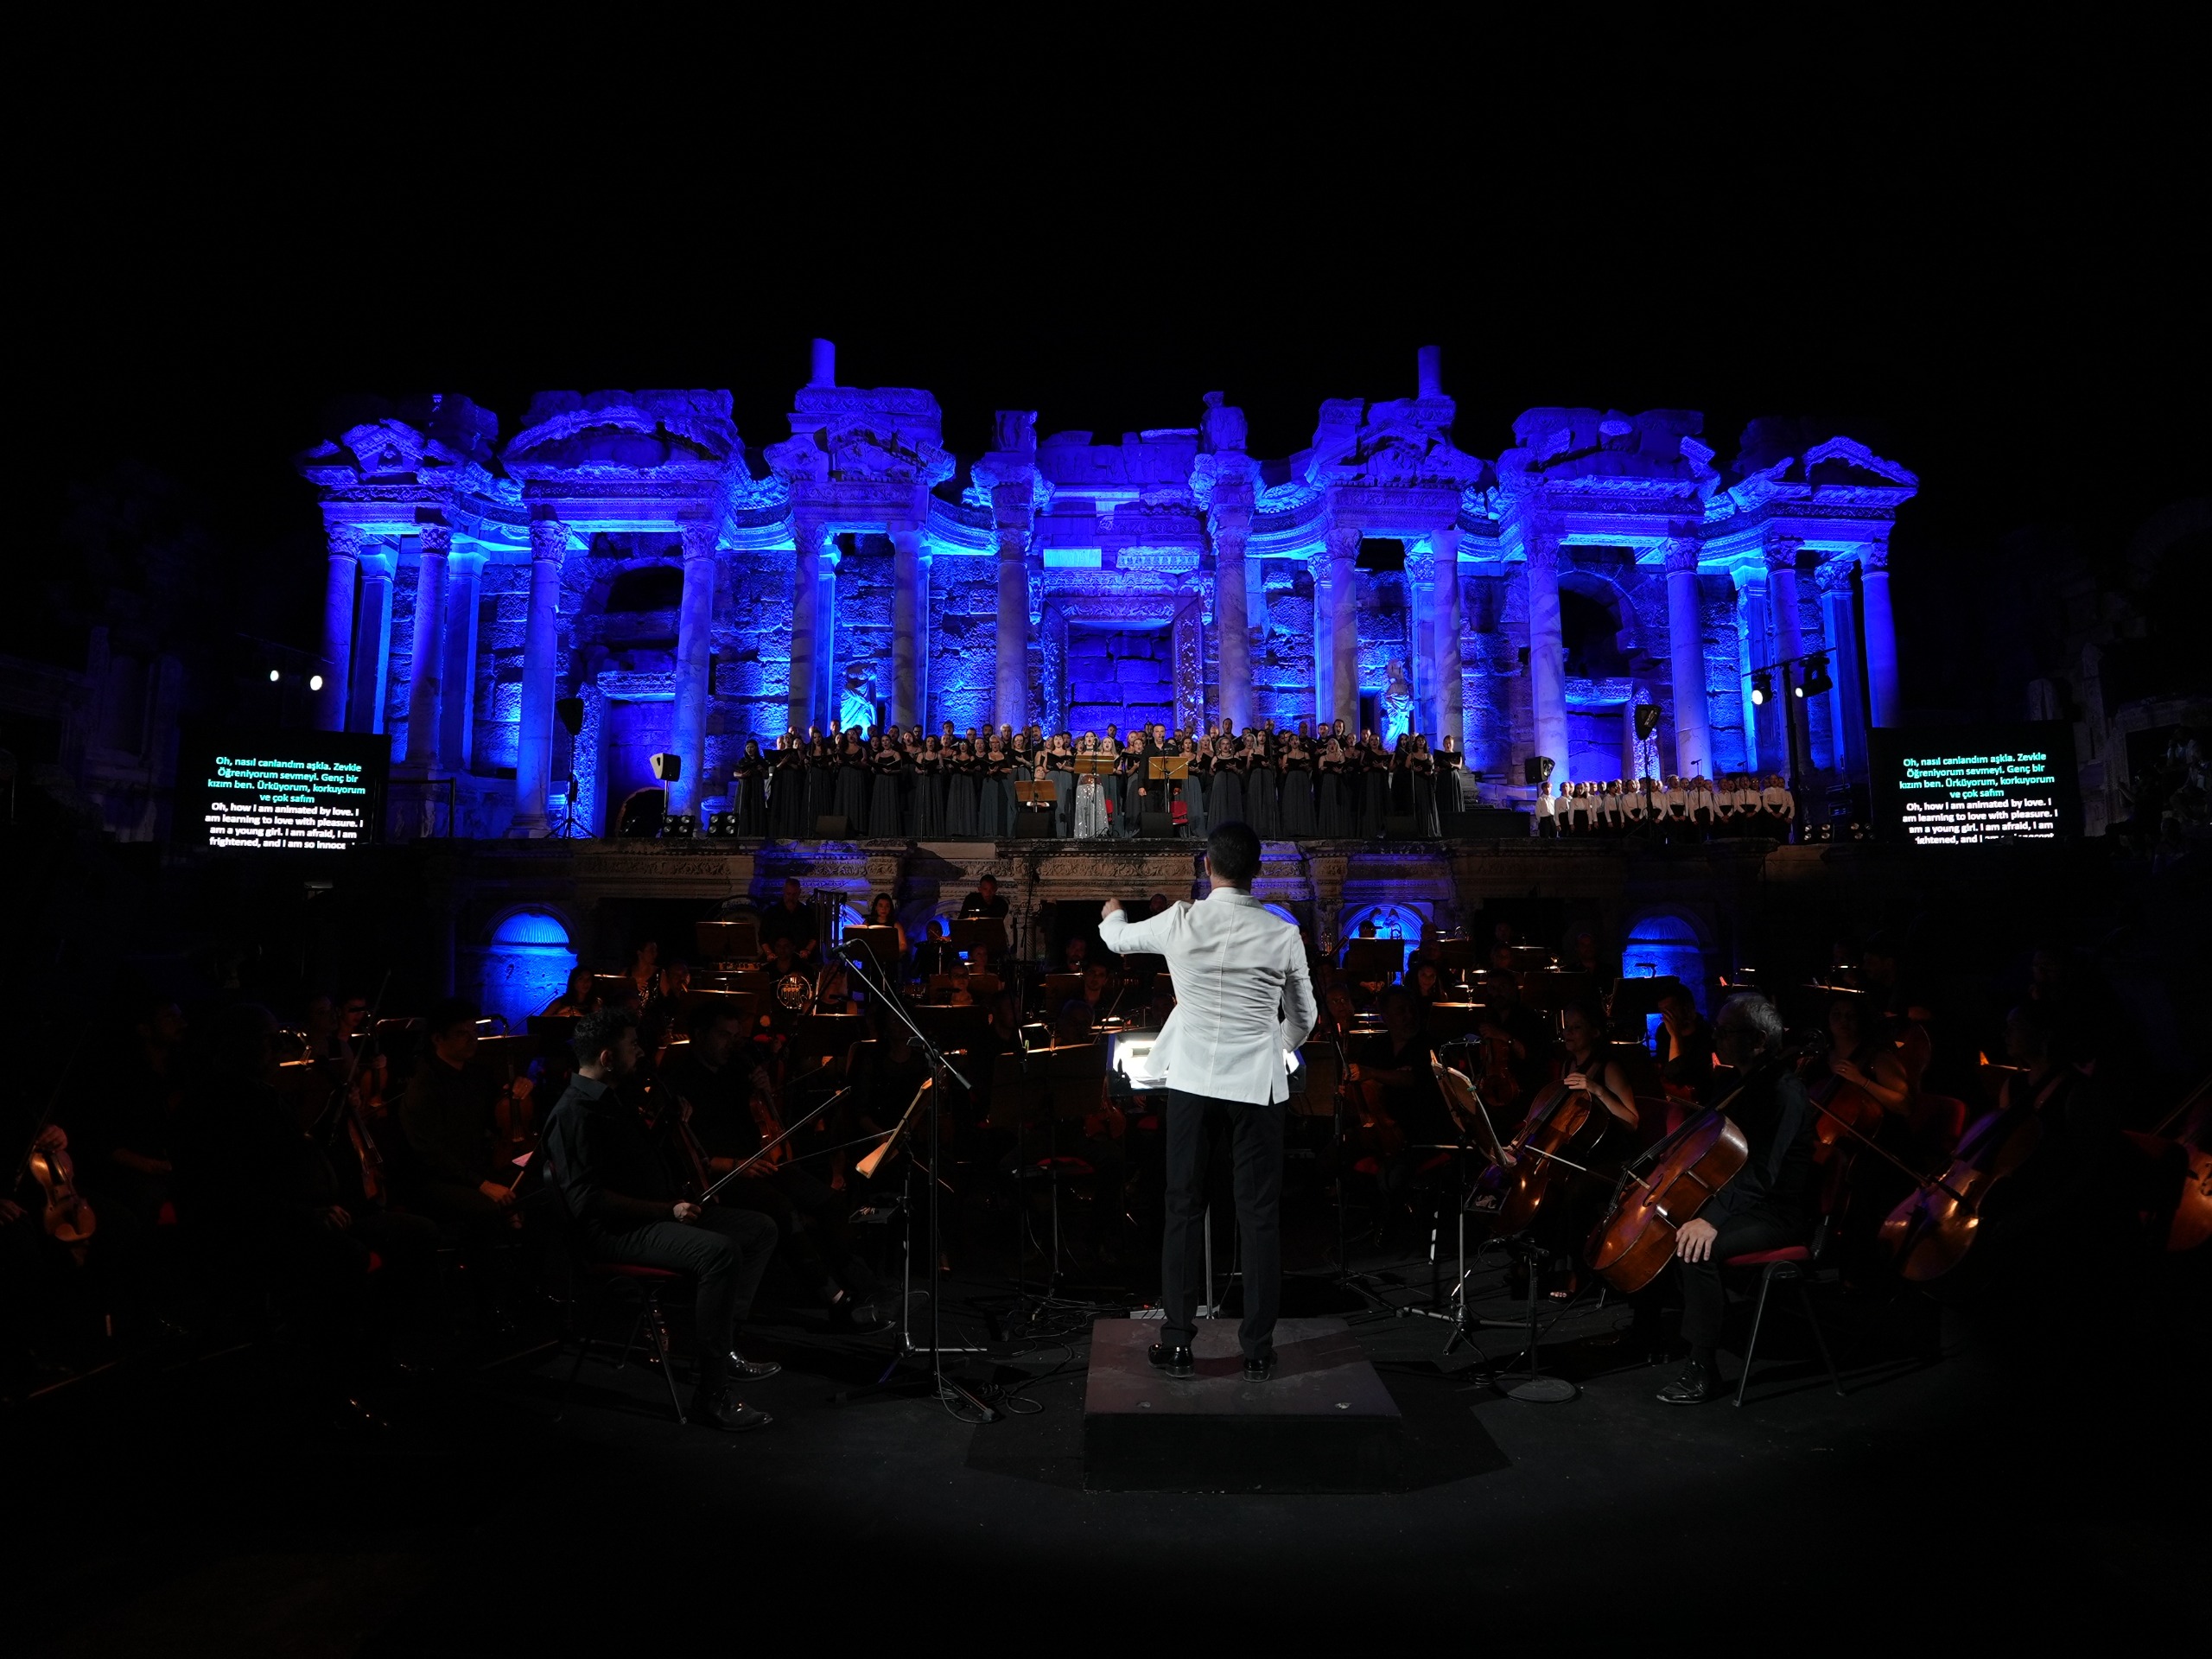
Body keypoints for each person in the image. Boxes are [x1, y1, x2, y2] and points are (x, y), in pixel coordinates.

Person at [1098, 822, 1316, 1381]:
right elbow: (1304, 1018)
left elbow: (1119, 941)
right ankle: (1258, 1350)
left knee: (1182, 1207)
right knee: (1258, 1215)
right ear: (1257, 871)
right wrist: (1271, 1047)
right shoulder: (1282, 933)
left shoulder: (1181, 920)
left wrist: (1112, 914)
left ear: (1206, 867)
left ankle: (1177, 1342)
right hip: (1257, 1087)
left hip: (1194, 1080)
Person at [540, 1007, 781, 1431]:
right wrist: (665, 1210)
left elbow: (632, 1160)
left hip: (649, 1217)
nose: (640, 1052)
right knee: (720, 1253)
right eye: (632, 1045)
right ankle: (712, 1393)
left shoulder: (613, 1096)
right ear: (607, 1057)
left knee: (759, 1228)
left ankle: (721, 1346)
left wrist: (671, 1123)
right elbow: (586, 1199)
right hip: (615, 1232)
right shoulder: (575, 1111)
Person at [1655, 994, 1816, 1405]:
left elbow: (1761, 1175)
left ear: (1759, 1040)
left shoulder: (1784, 1092)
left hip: (1776, 1211)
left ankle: (1703, 1368)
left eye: (1726, 1032)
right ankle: (1669, 1328)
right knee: (1666, 1223)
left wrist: (1711, 1219)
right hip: (1741, 1200)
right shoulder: (1739, 1082)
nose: (1717, 1038)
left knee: (1696, 1248)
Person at [397, 999, 521, 1241]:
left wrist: (517, 1089)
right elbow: (431, 1155)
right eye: (462, 1033)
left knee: (540, 1187)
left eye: (474, 1031)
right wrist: (482, 1184)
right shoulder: (424, 1087)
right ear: (438, 1039)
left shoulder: (477, 1074)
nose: (472, 1039)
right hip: (437, 1180)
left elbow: (497, 1116)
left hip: (475, 1169)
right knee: (488, 1210)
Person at [760, 877, 820, 966]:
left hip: (800, 960)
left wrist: (807, 950)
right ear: (784, 891)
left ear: (799, 892)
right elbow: (762, 936)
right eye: (788, 894)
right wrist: (769, 953)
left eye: (794, 894)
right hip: (776, 960)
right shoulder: (771, 912)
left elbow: (814, 935)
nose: (791, 898)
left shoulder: (807, 912)